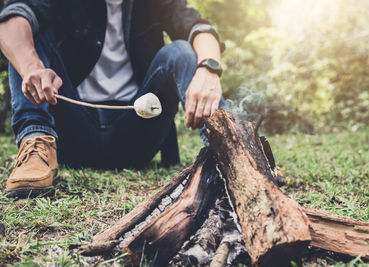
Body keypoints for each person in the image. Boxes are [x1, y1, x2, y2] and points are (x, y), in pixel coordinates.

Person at [0, 0, 225, 198]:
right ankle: (36, 142)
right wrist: (31, 68)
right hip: (69, 133)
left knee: (181, 50)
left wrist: (209, 68)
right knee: (26, 31)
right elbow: (12, 19)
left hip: (137, 134)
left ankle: (229, 150)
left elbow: (197, 26)